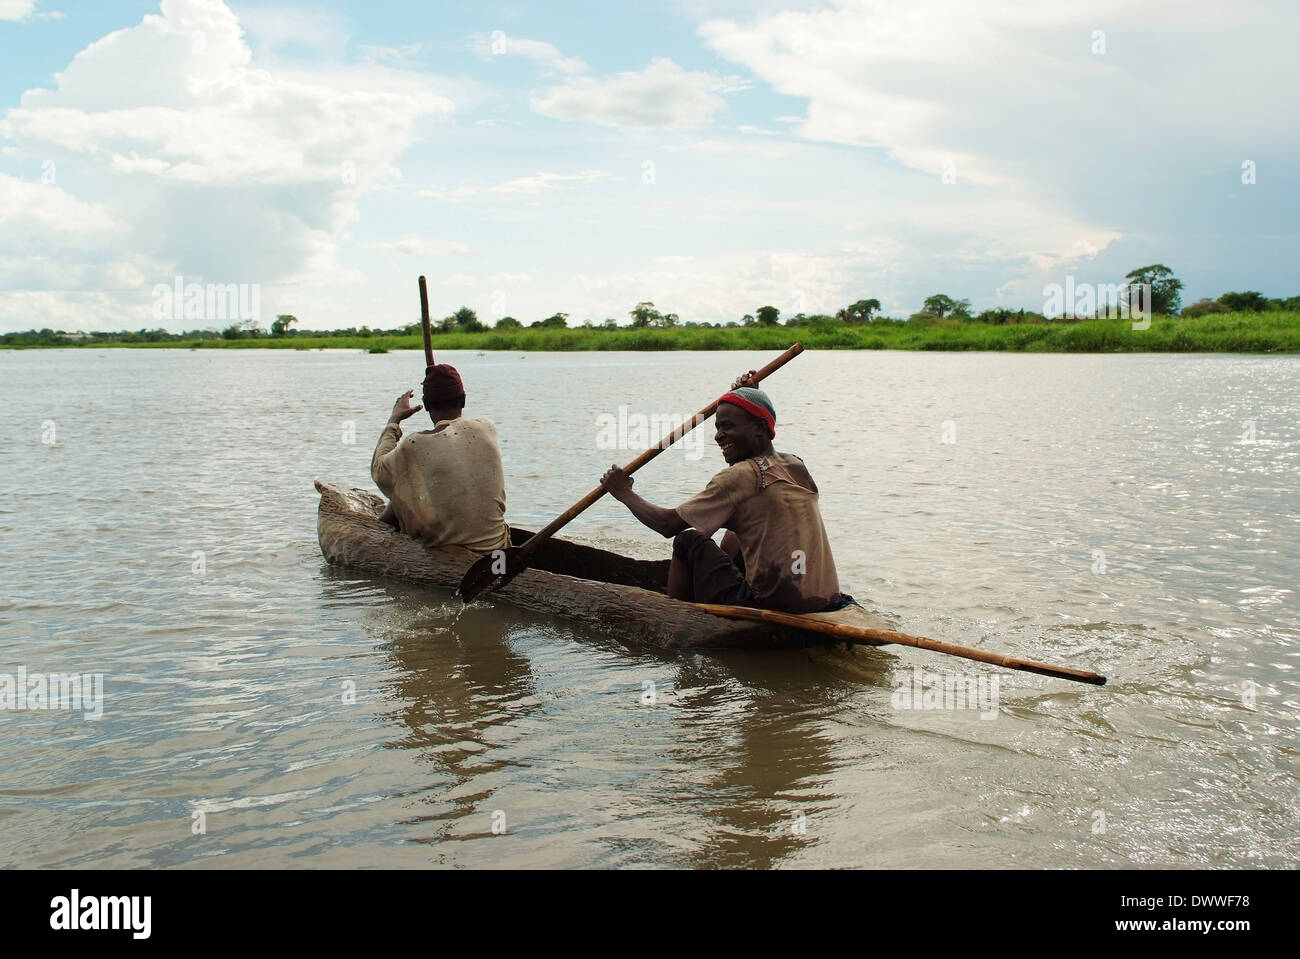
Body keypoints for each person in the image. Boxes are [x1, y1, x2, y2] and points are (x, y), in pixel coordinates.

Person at [599, 373, 847, 613]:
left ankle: (677, 617)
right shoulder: (795, 465)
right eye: (718, 428)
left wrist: (623, 493)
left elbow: (667, 524)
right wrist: (749, 397)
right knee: (738, 525)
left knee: (687, 540)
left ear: (759, 427)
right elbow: (759, 430)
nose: (718, 436)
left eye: (728, 427)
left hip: (774, 603)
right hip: (823, 600)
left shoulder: (740, 476)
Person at [371, 363, 509, 553]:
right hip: (498, 551)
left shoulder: (414, 445)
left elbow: (379, 471)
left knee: (405, 483)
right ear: (464, 400)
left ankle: (376, 532)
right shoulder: (487, 427)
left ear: (426, 405)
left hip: (452, 556)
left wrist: (394, 420)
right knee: (409, 484)